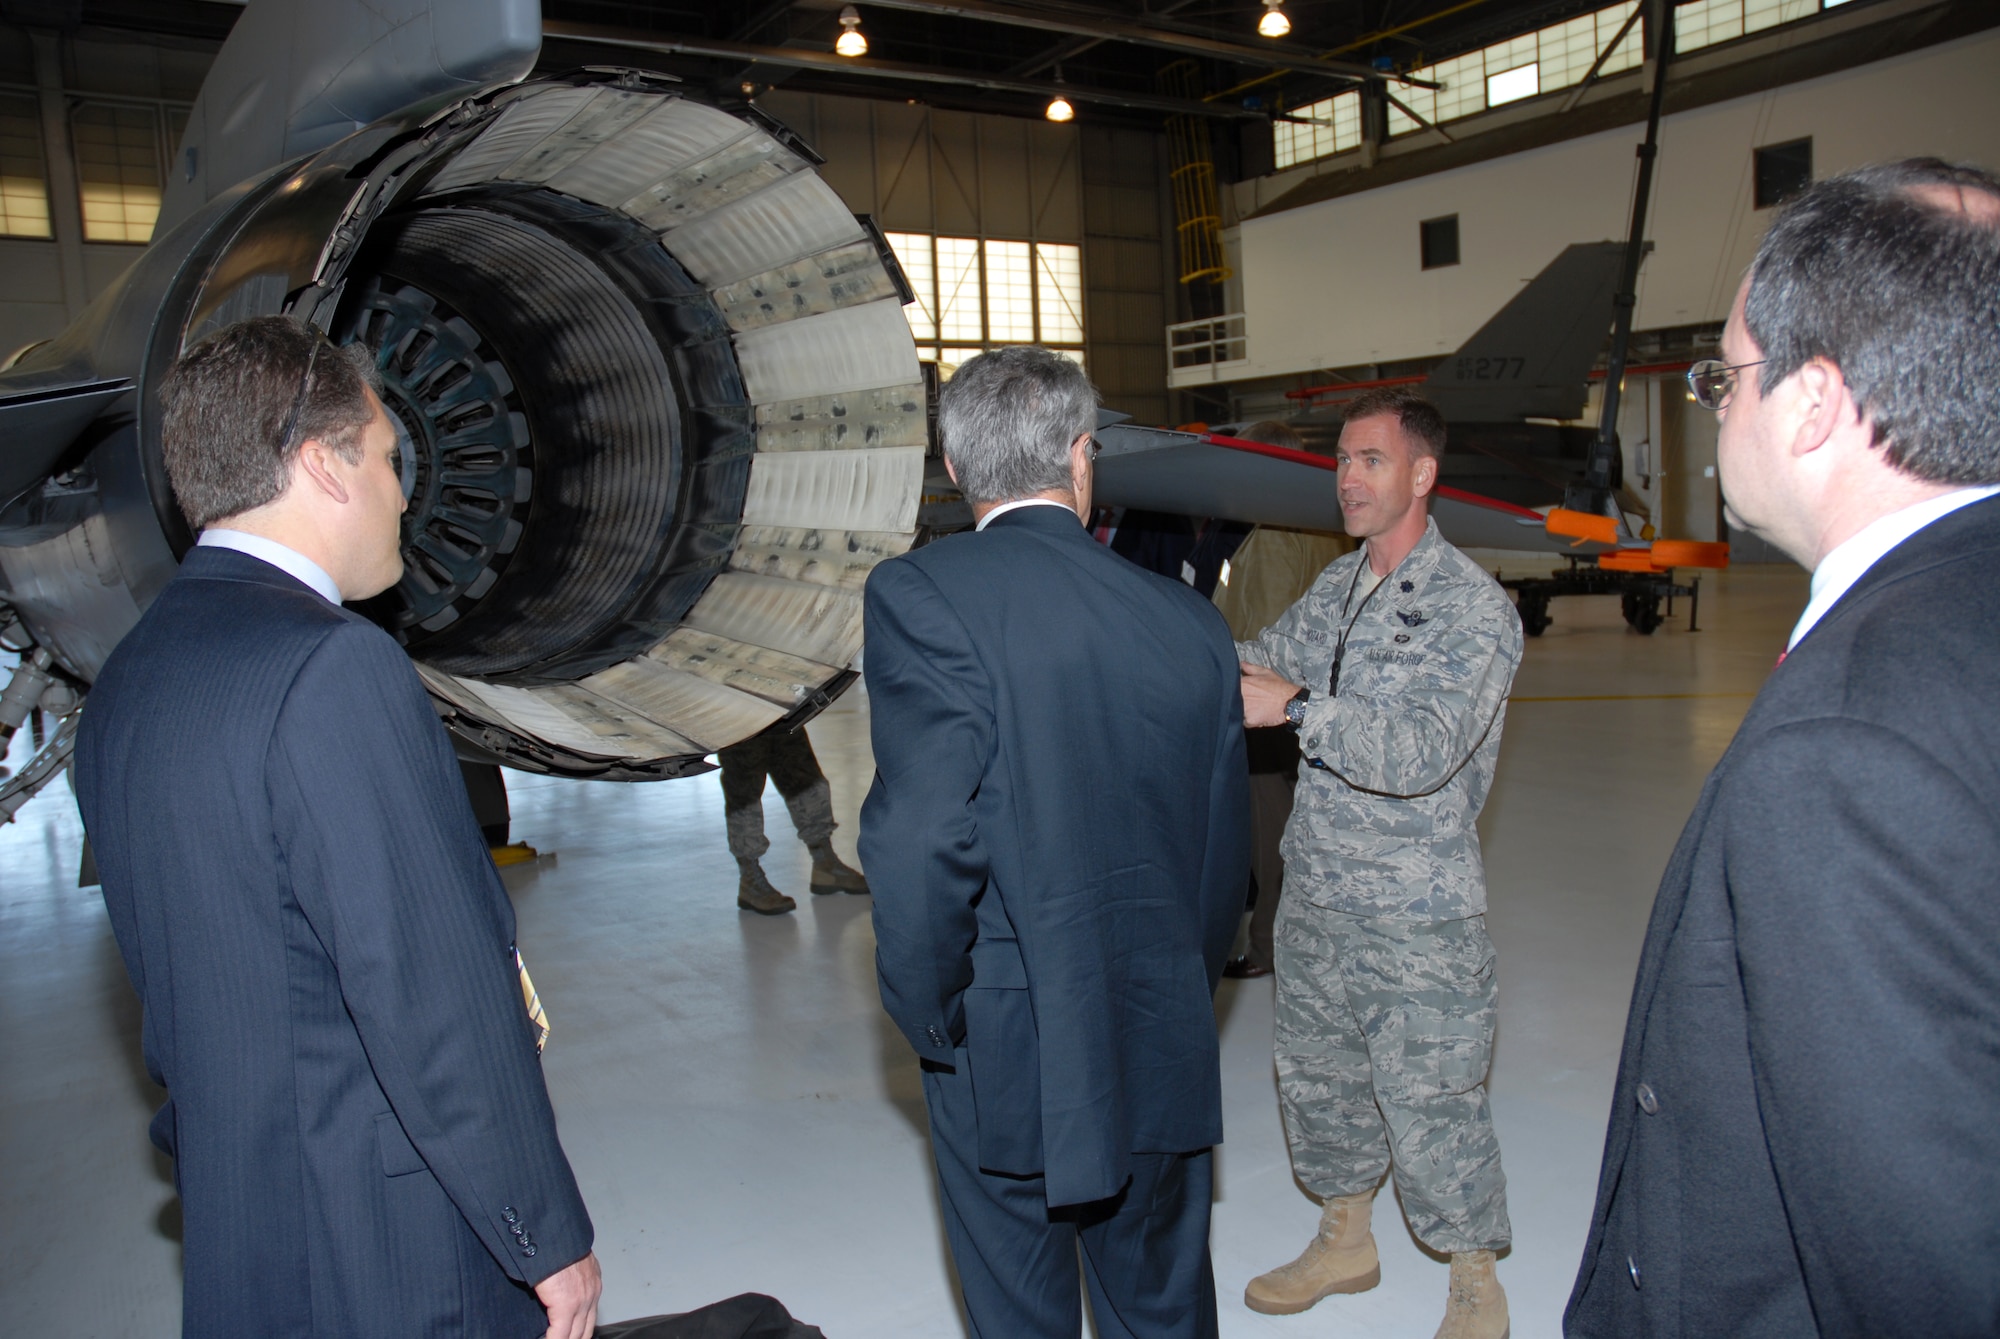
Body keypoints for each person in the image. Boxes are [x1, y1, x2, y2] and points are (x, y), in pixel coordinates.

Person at [74, 316, 600, 1339]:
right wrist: (542, 1232)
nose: (404, 493)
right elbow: (432, 993)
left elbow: (179, 979)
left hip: (246, 1212)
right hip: (391, 1244)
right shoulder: (334, 668)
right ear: (322, 462)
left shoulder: (133, 677)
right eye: (388, 458)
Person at [1566, 160, 2000, 1337]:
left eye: (1726, 376)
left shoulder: (1846, 747)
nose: (1716, 408)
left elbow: (1921, 1254)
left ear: (1810, 404)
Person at [860, 346, 1250, 1339]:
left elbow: (917, 839)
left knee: (1017, 1306)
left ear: (954, 467)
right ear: (1083, 460)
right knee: (1159, 1303)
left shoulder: (922, 596)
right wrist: (1173, 986)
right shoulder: (1189, 622)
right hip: (1154, 1027)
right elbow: (1220, 863)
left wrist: (931, 1016)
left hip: (1004, 1043)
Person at [1236, 388, 1522, 1339]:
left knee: (1432, 1097)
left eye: (1369, 460)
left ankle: (1475, 1278)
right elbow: (1260, 662)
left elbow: (1421, 749)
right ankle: (1345, 1236)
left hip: (1416, 911)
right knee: (1320, 1080)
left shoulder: (1473, 609)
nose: (1346, 479)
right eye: (1342, 461)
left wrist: (1300, 710)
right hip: (1316, 891)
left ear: (1422, 475)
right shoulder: (1340, 585)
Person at [1208, 419, 1357, 980]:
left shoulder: (1274, 535)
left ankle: (1269, 948)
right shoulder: (1322, 527)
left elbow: (1269, 637)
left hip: (1266, 716)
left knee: (1270, 840)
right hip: (1305, 706)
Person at [718, 727, 868, 915]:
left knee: (801, 768)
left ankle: (825, 862)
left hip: (779, 707)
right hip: (735, 711)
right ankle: (750, 879)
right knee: (744, 786)